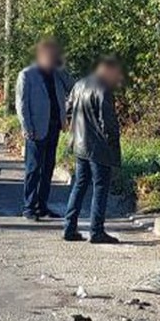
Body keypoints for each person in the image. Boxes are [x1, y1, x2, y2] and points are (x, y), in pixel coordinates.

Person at [63, 56, 124, 244]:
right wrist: (113, 143)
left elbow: (68, 109)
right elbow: (108, 121)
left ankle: (69, 227)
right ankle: (96, 231)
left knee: (80, 185)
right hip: (97, 147)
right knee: (100, 187)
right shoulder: (103, 88)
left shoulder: (80, 84)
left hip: (80, 144)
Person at [15, 39, 73, 221]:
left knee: (48, 168)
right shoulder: (26, 75)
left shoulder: (56, 74)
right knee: (33, 169)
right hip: (36, 129)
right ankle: (29, 207)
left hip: (54, 126)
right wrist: (26, 127)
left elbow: (73, 86)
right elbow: (21, 104)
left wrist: (61, 68)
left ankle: (42, 205)